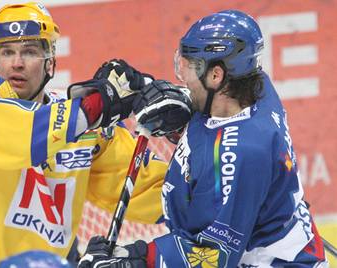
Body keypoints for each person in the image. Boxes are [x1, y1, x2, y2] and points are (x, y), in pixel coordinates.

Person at [0, 2, 169, 267]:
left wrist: (197, 178)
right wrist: (99, 104)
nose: (17, 63)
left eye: (30, 52)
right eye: (7, 52)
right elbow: (23, 137)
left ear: (50, 62)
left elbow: (149, 191)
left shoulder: (85, 128)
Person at [79, 10, 328, 267]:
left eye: (191, 67)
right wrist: (147, 88)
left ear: (216, 75)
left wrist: (134, 259)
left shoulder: (239, 156)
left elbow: (213, 256)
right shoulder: (254, 88)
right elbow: (211, 127)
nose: (184, 77)